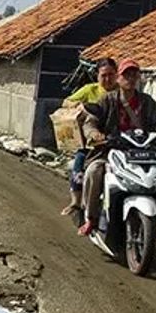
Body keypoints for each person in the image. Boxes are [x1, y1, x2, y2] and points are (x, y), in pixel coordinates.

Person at [78, 58, 156, 236]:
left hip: (142, 152)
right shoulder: (107, 100)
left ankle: (154, 221)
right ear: (119, 78)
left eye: (134, 74)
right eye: (126, 75)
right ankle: (91, 219)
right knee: (94, 171)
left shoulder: (147, 102)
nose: (130, 78)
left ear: (139, 77)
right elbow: (91, 122)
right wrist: (94, 134)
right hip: (111, 150)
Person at [60, 57, 117, 216]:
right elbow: (66, 102)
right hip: (91, 141)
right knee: (79, 166)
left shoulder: (122, 92)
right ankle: (76, 203)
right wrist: (80, 106)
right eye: (103, 75)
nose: (107, 79)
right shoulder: (90, 90)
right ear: (97, 76)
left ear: (117, 75)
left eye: (111, 75)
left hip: (116, 141)